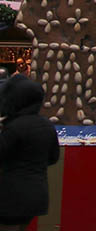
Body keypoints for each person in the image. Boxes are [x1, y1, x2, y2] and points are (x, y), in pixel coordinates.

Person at [0, 75, 60, 230]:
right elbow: (53, 157)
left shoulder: (14, 128)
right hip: (37, 193)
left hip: (11, 195)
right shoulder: (47, 125)